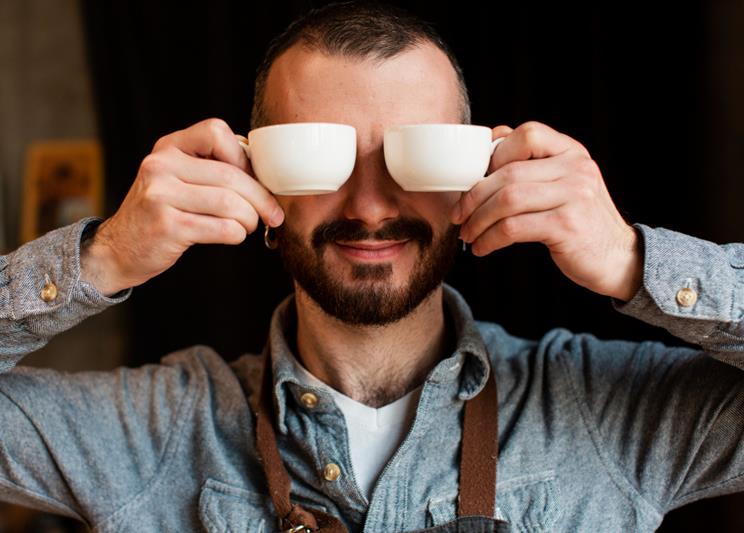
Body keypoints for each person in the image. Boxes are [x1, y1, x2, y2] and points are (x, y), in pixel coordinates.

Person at [2, 2, 744, 531]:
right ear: (256, 177)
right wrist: (101, 257)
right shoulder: (153, 429)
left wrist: (632, 260)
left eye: (413, 154)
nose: (369, 203)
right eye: (317, 157)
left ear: (474, 173)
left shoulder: (607, 415)